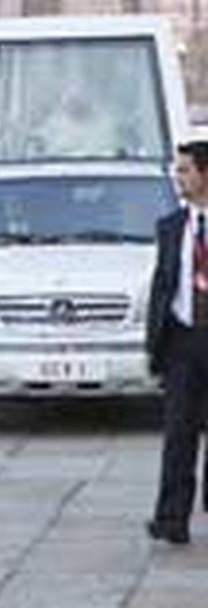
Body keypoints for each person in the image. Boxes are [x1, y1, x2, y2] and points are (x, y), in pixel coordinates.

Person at [145, 140, 208, 546]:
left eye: (185, 170)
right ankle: (171, 518)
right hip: (183, 342)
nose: (178, 178)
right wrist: (154, 345)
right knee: (178, 433)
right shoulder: (171, 226)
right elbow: (162, 285)